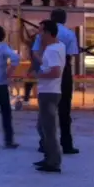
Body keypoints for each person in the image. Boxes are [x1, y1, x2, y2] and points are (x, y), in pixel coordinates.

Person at [31, 8, 80, 155]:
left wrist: (40, 67)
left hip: (47, 67)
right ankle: (66, 144)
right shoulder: (70, 33)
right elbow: (72, 54)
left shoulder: (43, 34)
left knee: (46, 110)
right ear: (65, 19)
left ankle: (44, 142)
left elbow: (35, 51)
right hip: (64, 70)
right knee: (64, 109)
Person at [33, 20, 65, 173]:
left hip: (48, 92)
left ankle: (53, 161)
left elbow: (55, 72)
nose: (39, 35)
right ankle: (49, 157)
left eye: (41, 31)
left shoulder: (52, 50)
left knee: (48, 128)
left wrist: (38, 74)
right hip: (51, 91)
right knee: (42, 126)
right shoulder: (59, 47)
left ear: (47, 32)